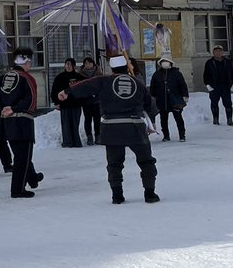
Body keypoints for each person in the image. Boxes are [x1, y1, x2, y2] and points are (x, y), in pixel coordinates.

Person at [63, 55, 159, 204]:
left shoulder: (104, 80)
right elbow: (150, 104)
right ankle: (150, 193)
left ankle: (117, 195)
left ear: (112, 68)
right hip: (135, 127)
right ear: (127, 68)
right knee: (146, 161)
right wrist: (151, 122)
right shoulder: (137, 82)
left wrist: (67, 92)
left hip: (112, 127)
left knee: (114, 163)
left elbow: (86, 85)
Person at [0, 48, 43, 197]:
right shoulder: (26, 78)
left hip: (7, 122)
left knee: (20, 154)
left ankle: (32, 178)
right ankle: (18, 190)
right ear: (26, 61)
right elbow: (31, 101)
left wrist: (3, 109)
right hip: (23, 121)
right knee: (23, 157)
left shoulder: (4, 77)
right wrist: (14, 108)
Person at [149, 57, 189, 142]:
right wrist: (153, 96)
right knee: (163, 118)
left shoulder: (177, 73)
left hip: (175, 99)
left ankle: (182, 135)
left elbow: (182, 85)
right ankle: (166, 135)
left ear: (171, 63)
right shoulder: (157, 74)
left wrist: (185, 95)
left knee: (178, 117)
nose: (165, 63)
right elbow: (152, 87)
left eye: (167, 61)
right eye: (163, 61)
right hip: (162, 100)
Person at [51, 58, 85, 148]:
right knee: (66, 124)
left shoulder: (79, 77)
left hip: (76, 104)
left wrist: (83, 101)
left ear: (74, 66)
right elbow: (54, 91)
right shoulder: (60, 77)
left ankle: (76, 142)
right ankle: (67, 142)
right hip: (64, 104)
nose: (68, 66)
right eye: (67, 64)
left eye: (70, 64)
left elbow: (85, 88)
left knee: (75, 124)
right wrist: (56, 102)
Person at [203, 45, 233, 126]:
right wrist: (207, 84)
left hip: (225, 86)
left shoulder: (227, 62)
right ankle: (215, 119)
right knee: (214, 103)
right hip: (214, 86)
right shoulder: (209, 62)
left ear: (222, 52)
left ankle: (229, 120)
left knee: (228, 103)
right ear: (213, 52)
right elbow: (205, 74)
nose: (218, 52)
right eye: (216, 51)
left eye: (220, 51)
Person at [79, 57, 102, 146]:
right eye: (86, 63)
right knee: (87, 119)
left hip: (97, 100)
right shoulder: (80, 74)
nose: (87, 65)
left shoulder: (99, 73)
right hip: (86, 100)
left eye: (89, 63)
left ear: (93, 64)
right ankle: (89, 136)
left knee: (97, 119)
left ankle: (98, 136)